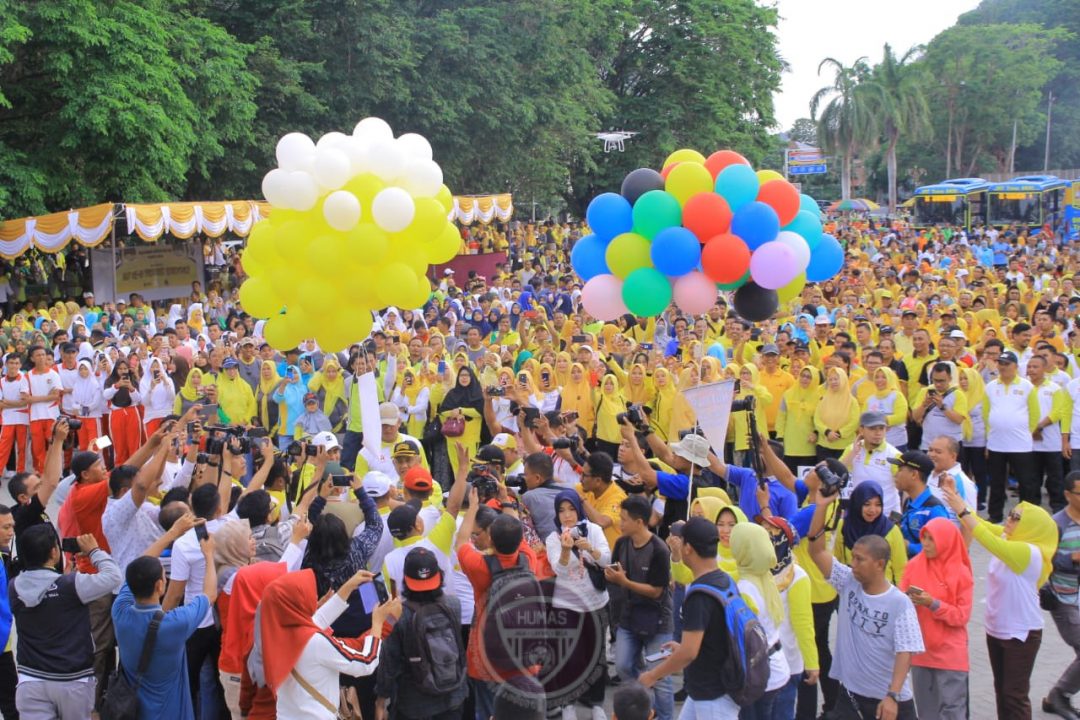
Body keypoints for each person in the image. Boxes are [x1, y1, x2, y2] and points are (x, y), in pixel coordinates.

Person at [806, 476, 923, 720]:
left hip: (888, 702)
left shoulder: (899, 603)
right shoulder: (848, 581)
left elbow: (905, 651)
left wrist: (892, 695)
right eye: (853, 557)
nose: (853, 563)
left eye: (860, 559)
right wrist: (821, 506)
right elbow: (816, 550)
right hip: (849, 697)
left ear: (880, 565)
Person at [942, 484, 1057, 719]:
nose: (1009, 519)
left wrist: (962, 512)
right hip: (997, 629)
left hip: (1021, 635)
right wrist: (959, 504)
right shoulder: (1010, 536)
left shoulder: (1029, 552)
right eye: (1011, 514)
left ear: (1031, 527)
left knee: (1014, 695)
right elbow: (982, 526)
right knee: (1001, 691)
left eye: (1015, 518)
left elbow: (987, 540)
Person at [9, 526, 122, 718]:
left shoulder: (14, 587)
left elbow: (43, 591)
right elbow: (113, 577)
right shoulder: (71, 585)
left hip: (31, 678)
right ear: (54, 553)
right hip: (72, 679)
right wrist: (94, 551)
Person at [259, 568, 398, 719]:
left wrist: (349, 586)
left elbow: (318, 620)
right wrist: (378, 622)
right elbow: (365, 663)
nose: (314, 597)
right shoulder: (315, 643)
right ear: (297, 605)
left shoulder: (278, 634)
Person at [637, 518, 738, 719]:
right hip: (711, 687)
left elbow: (689, 654)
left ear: (688, 548)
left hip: (712, 696)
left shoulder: (699, 595)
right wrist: (682, 648)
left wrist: (651, 676)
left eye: (680, 541)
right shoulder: (725, 580)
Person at [113, 546, 217, 719]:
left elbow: (138, 564)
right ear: (159, 585)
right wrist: (209, 555)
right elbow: (210, 595)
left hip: (132, 711)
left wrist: (173, 532)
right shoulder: (175, 623)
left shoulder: (119, 611)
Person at [374, 547, 468, 720]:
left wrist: (381, 699)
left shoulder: (399, 616)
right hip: (453, 696)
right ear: (439, 576)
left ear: (406, 579)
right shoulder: (454, 605)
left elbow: (389, 663)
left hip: (414, 704)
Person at [606, 495, 674, 720]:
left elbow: (656, 591)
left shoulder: (659, 550)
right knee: (624, 666)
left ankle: (663, 716)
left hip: (659, 621)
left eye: (624, 519)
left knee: (661, 678)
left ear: (639, 522)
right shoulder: (622, 543)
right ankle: (640, 706)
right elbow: (616, 573)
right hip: (629, 616)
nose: (620, 522)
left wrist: (624, 582)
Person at [898, 517, 973, 720]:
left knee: (952, 712)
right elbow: (900, 600)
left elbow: (961, 616)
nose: (926, 544)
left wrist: (933, 604)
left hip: (950, 655)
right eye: (924, 537)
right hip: (922, 652)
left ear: (946, 541)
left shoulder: (961, 572)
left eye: (932, 539)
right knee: (927, 713)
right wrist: (907, 601)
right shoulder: (914, 565)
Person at [545, 489, 610, 720]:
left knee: (597, 654)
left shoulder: (593, 530)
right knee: (570, 656)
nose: (567, 515)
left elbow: (607, 560)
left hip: (596, 602)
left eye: (571, 509)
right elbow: (558, 570)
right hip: (567, 604)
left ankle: (597, 704)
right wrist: (565, 550)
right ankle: (568, 703)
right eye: (562, 510)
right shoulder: (553, 537)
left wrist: (589, 548)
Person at [983, 350, 1039, 523]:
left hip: (1020, 444)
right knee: (997, 482)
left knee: (1026, 482)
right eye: (1000, 363)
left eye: (1006, 364)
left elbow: (1034, 414)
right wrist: (989, 436)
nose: (1002, 367)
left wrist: (1024, 431)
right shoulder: (991, 386)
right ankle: (995, 515)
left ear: (1015, 366)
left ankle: (1027, 517)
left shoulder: (1026, 386)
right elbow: (986, 413)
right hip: (997, 443)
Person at [1046, 470, 1080, 719]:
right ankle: (1059, 696)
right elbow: (1046, 560)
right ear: (1068, 495)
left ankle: (1056, 698)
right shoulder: (1056, 523)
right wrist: (1073, 559)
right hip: (1063, 596)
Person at [889, 450, 950, 557]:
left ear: (914, 475)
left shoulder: (934, 509)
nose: (896, 474)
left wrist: (909, 547)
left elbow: (943, 546)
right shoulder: (909, 502)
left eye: (900, 470)